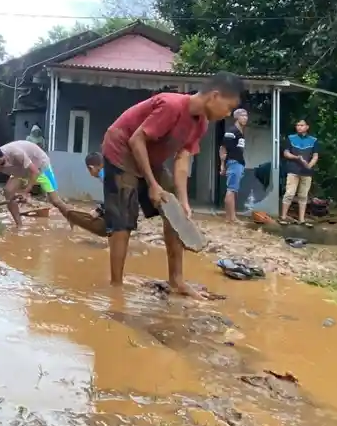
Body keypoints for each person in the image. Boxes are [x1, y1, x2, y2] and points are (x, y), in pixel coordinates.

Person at [101, 73, 245, 295]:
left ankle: (176, 280)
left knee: (175, 211)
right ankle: (116, 286)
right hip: (121, 149)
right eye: (228, 107)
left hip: (150, 156)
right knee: (123, 217)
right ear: (215, 96)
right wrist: (151, 184)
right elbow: (135, 140)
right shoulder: (171, 105)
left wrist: (184, 202)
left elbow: (182, 161)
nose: (227, 113)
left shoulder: (201, 124)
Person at [0, 140, 78, 226]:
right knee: (8, 192)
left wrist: (25, 192)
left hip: (40, 167)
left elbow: (35, 172)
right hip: (21, 170)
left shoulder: (16, 153)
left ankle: (74, 220)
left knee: (55, 200)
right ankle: (19, 226)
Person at [279, 119, 319, 223]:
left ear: (307, 127)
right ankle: (283, 217)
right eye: (297, 125)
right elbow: (286, 153)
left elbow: (315, 156)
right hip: (293, 169)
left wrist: (309, 165)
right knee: (289, 193)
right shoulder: (290, 138)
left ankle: (301, 219)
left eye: (301, 125)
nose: (299, 127)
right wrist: (297, 158)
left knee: (303, 195)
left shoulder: (313, 140)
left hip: (307, 172)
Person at [219, 108, 248, 223]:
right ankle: (230, 218)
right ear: (236, 117)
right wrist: (222, 165)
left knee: (233, 190)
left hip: (239, 163)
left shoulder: (240, 133)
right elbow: (223, 148)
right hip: (233, 162)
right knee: (231, 189)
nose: (245, 117)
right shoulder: (232, 132)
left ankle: (232, 217)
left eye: (246, 115)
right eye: (242, 115)